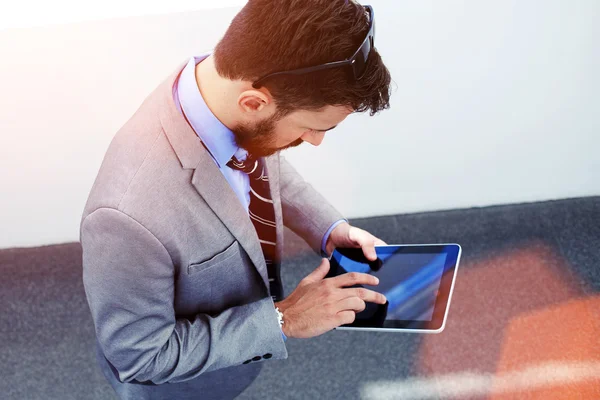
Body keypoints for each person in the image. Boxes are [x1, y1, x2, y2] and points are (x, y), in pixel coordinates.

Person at [80, 0, 392, 398]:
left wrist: (330, 229)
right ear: (255, 103)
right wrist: (282, 319)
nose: (315, 141)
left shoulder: (224, 92)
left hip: (233, 366)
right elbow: (140, 357)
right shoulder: (127, 216)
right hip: (183, 389)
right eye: (313, 128)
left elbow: (264, 167)